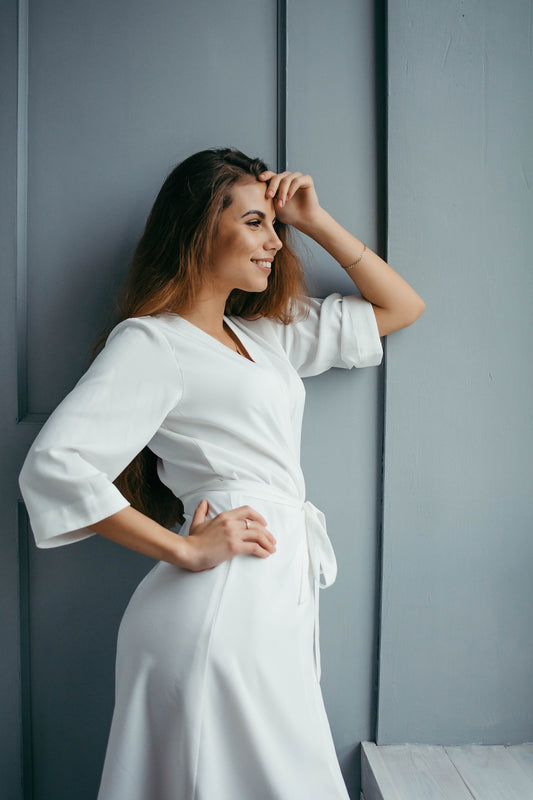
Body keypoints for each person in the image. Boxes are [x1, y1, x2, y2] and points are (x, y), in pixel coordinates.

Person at [18, 147, 424, 800]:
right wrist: (182, 547)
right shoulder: (151, 343)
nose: (274, 244)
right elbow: (56, 466)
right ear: (200, 227)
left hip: (275, 605)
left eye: (275, 227)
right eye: (255, 223)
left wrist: (314, 221)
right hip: (219, 611)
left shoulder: (265, 338)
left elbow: (400, 307)